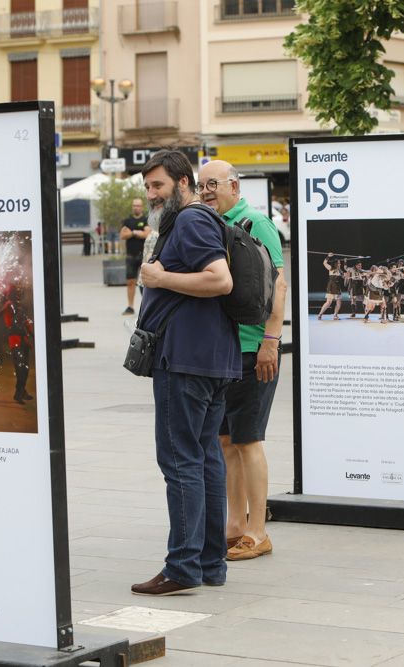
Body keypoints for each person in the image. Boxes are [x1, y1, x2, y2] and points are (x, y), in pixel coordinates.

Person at [132, 150, 241, 596]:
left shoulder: (193, 221)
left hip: (186, 360)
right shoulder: (198, 220)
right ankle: (210, 563)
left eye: (158, 185)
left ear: (182, 182)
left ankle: (182, 567)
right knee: (205, 460)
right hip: (209, 358)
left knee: (180, 461)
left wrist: (159, 280)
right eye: (147, 188)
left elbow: (220, 280)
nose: (152, 195)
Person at [197, 159, 287, 561]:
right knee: (226, 442)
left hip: (255, 348)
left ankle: (258, 531)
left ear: (234, 185)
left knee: (248, 441)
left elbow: (279, 282)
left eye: (213, 184)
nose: (207, 192)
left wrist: (272, 339)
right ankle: (234, 526)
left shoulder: (254, 222)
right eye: (201, 186)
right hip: (226, 350)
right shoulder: (213, 225)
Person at [1, 286, 34, 404]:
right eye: (17, 293)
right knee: (21, 369)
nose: (19, 296)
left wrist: (32, 333)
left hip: (23, 341)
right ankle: (18, 394)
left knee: (25, 369)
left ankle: (22, 391)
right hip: (15, 342)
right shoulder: (9, 306)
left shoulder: (20, 309)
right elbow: (9, 322)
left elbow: (27, 323)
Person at [120, 198, 151, 315]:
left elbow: (147, 234)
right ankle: (130, 306)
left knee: (145, 283)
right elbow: (123, 235)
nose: (136, 207)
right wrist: (137, 232)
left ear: (142, 207)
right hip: (130, 255)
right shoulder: (127, 221)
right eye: (134, 205)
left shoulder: (146, 219)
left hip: (144, 256)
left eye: (138, 206)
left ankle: (146, 308)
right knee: (130, 282)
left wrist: (132, 232)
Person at [317, 254, 344, 320]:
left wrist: (347, 276)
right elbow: (324, 263)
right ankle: (320, 314)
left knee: (339, 302)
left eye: (340, 263)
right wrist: (328, 256)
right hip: (331, 286)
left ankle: (335, 315)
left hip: (337, 287)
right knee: (329, 302)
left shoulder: (340, 270)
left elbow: (344, 277)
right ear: (335, 264)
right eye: (338, 263)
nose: (340, 264)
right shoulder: (330, 268)